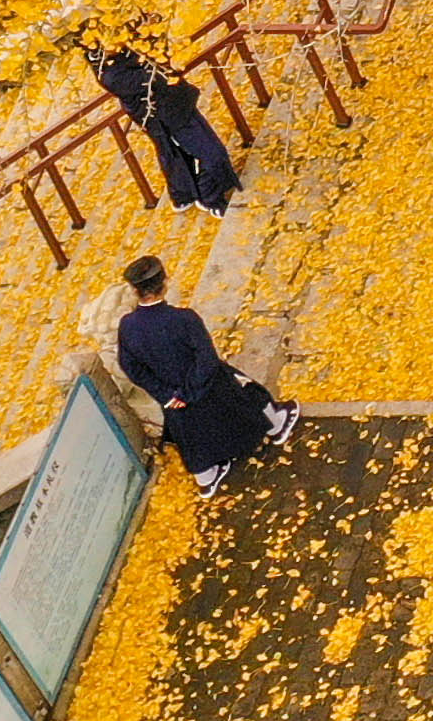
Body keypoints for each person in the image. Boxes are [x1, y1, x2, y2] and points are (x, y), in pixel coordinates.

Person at [110, 254, 298, 494]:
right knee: (247, 393)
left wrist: (168, 396)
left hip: (171, 397)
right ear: (165, 283)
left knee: (189, 435)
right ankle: (276, 425)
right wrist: (189, 392)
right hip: (205, 385)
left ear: (135, 290)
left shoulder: (128, 325)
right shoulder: (183, 318)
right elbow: (206, 358)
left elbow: (131, 367)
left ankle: (206, 478)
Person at [87, 45, 242, 216]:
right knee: (209, 153)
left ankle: (186, 195)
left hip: (170, 107)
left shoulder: (120, 53)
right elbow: (156, 76)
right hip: (165, 114)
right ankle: (208, 196)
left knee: (177, 154)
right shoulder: (112, 75)